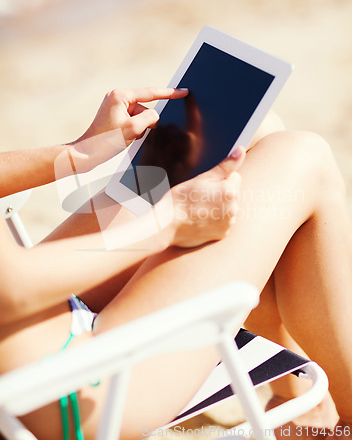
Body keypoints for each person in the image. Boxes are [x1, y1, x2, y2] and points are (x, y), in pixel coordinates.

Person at [0, 87, 351, 440]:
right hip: (68, 384)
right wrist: (165, 225)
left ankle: (296, 398)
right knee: (305, 157)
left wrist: (79, 152)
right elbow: (13, 289)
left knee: (247, 137)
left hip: (40, 312)